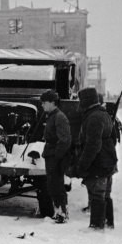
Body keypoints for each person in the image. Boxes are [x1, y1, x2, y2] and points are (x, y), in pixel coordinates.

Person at [74, 87, 118, 230]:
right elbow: (113, 138)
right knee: (105, 194)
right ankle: (108, 223)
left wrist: (82, 165)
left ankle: (96, 227)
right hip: (108, 160)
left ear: (86, 101)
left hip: (98, 163)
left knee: (97, 194)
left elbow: (92, 146)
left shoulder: (93, 117)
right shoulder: (103, 114)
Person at [40, 89, 72, 223]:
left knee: (57, 185)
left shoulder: (59, 117)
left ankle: (62, 213)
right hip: (52, 154)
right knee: (52, 185)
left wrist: (57, 157)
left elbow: (65, 140)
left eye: (44, 102)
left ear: (52, 103)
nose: (42, 105)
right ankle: (58, 211)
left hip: (55, 156)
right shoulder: (52, 116)